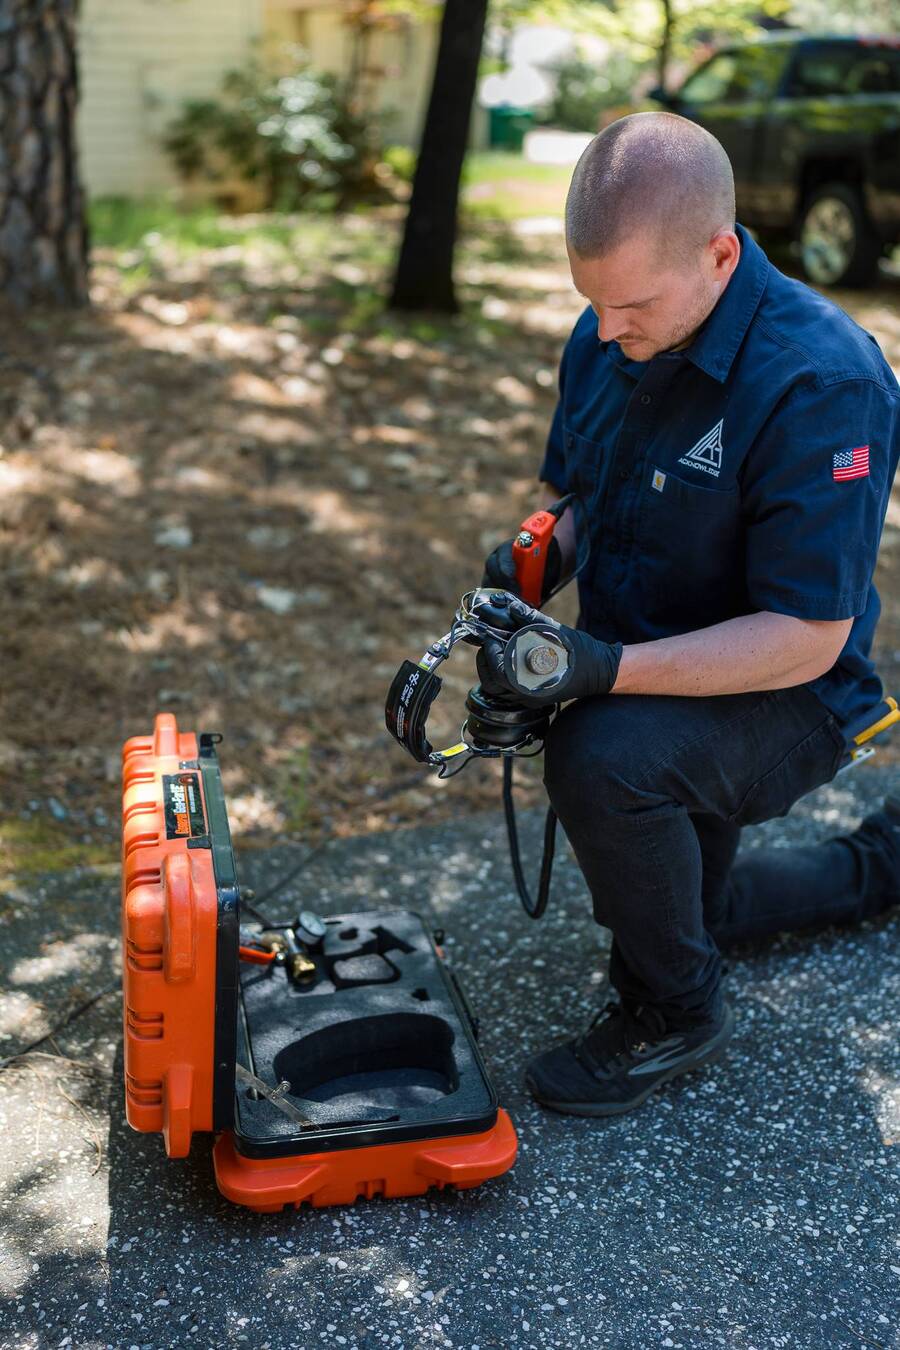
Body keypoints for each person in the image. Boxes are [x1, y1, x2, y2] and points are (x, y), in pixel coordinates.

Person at [479, 111, 900, 1118]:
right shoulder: (610, 330)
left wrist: (599, 670)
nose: (606, 332)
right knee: (685, 908)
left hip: (791, 690)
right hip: (658, 657)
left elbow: (806, 637)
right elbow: (583, 496)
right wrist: (532, 564)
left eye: (630, 305)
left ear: (719, 255)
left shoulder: (824, 381)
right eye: (592, 302)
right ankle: (884, 863)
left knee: (601, 757)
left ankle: (674, 1012)